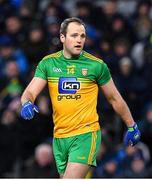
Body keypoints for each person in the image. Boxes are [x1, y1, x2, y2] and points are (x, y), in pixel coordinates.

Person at [20, 17, 141, 178]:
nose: (79, 40)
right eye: (74, 35)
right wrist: (27, 103)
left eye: (82, 36)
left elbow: (114, 98)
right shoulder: (48, 64)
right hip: (60, 137)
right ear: (62, 37)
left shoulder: (96, 66)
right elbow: (30, 92)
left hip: (86, 135)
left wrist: (132, 125)